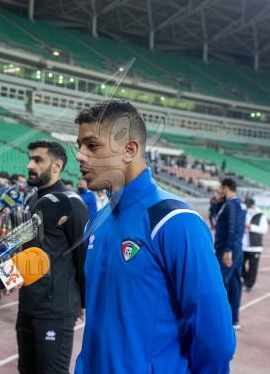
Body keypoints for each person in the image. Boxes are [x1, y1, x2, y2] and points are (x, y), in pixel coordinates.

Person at [74, 100, 235, 373]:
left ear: (130, 150)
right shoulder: (97, 221)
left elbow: (215, 339)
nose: (79, 155)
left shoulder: (176, 221)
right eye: (79, 145)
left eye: (92, 145)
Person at [18, 139, 89, 374]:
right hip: (27, 303)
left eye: (38, 160)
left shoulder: (71, 203)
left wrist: (83, 301)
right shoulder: (32, 200)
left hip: (55, 308)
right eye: (30, 159)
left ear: (57, 166)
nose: (30, 165)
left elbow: (83, 255)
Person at [215, 177, 247, 329]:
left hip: (228, 249)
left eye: (221, 187)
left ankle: (221, 320)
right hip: (236, 248)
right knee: (234, 284)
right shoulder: (238, 204)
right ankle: (234, 320)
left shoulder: (232, 204)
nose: (219, 190)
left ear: (226, 188)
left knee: (220, 282)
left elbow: (232, 228)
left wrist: (228, 250)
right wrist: (218, 203)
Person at [242, 198, 267, 293]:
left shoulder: (260, 215)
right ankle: (245, 279)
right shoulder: (244, 213)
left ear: (253, 206)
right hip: (243, 245)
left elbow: (264, 229)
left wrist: (251, 227)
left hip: (255, 246)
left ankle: (249, 285)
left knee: (253, 267)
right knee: (240, 264)